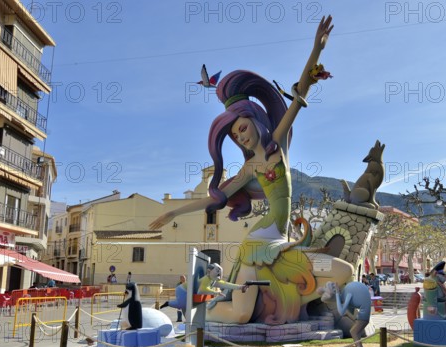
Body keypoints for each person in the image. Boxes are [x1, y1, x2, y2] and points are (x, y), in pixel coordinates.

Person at [150, 16, 353, 325]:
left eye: (242, 128)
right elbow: (212, 200)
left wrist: (316, 49)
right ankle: (197, 311)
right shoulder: (248, 169)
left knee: (343, 272)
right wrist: (172, 214)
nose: (240, 136)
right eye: (234, 136)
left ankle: (296, 307)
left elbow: (299, 96)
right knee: (241, 314)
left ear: (254, 121)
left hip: (283, 245)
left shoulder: (278, 145)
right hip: (257, 247)